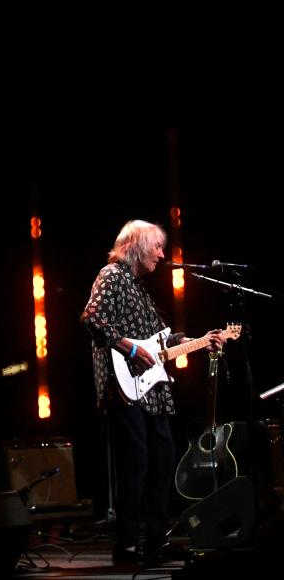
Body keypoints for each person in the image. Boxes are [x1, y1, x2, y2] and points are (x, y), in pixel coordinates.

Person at [81, 219, 226, 566]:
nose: (162, 254)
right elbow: (91, 318)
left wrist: (201, 341)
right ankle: (128, 547)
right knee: (138, 464)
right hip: (125, 388)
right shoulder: (112, 275)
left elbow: (164, 339)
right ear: (138, 246)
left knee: (162, 459)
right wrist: (130, 350)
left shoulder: (139, 288)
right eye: (157, 247)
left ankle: (156, 541)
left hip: (153, 391)